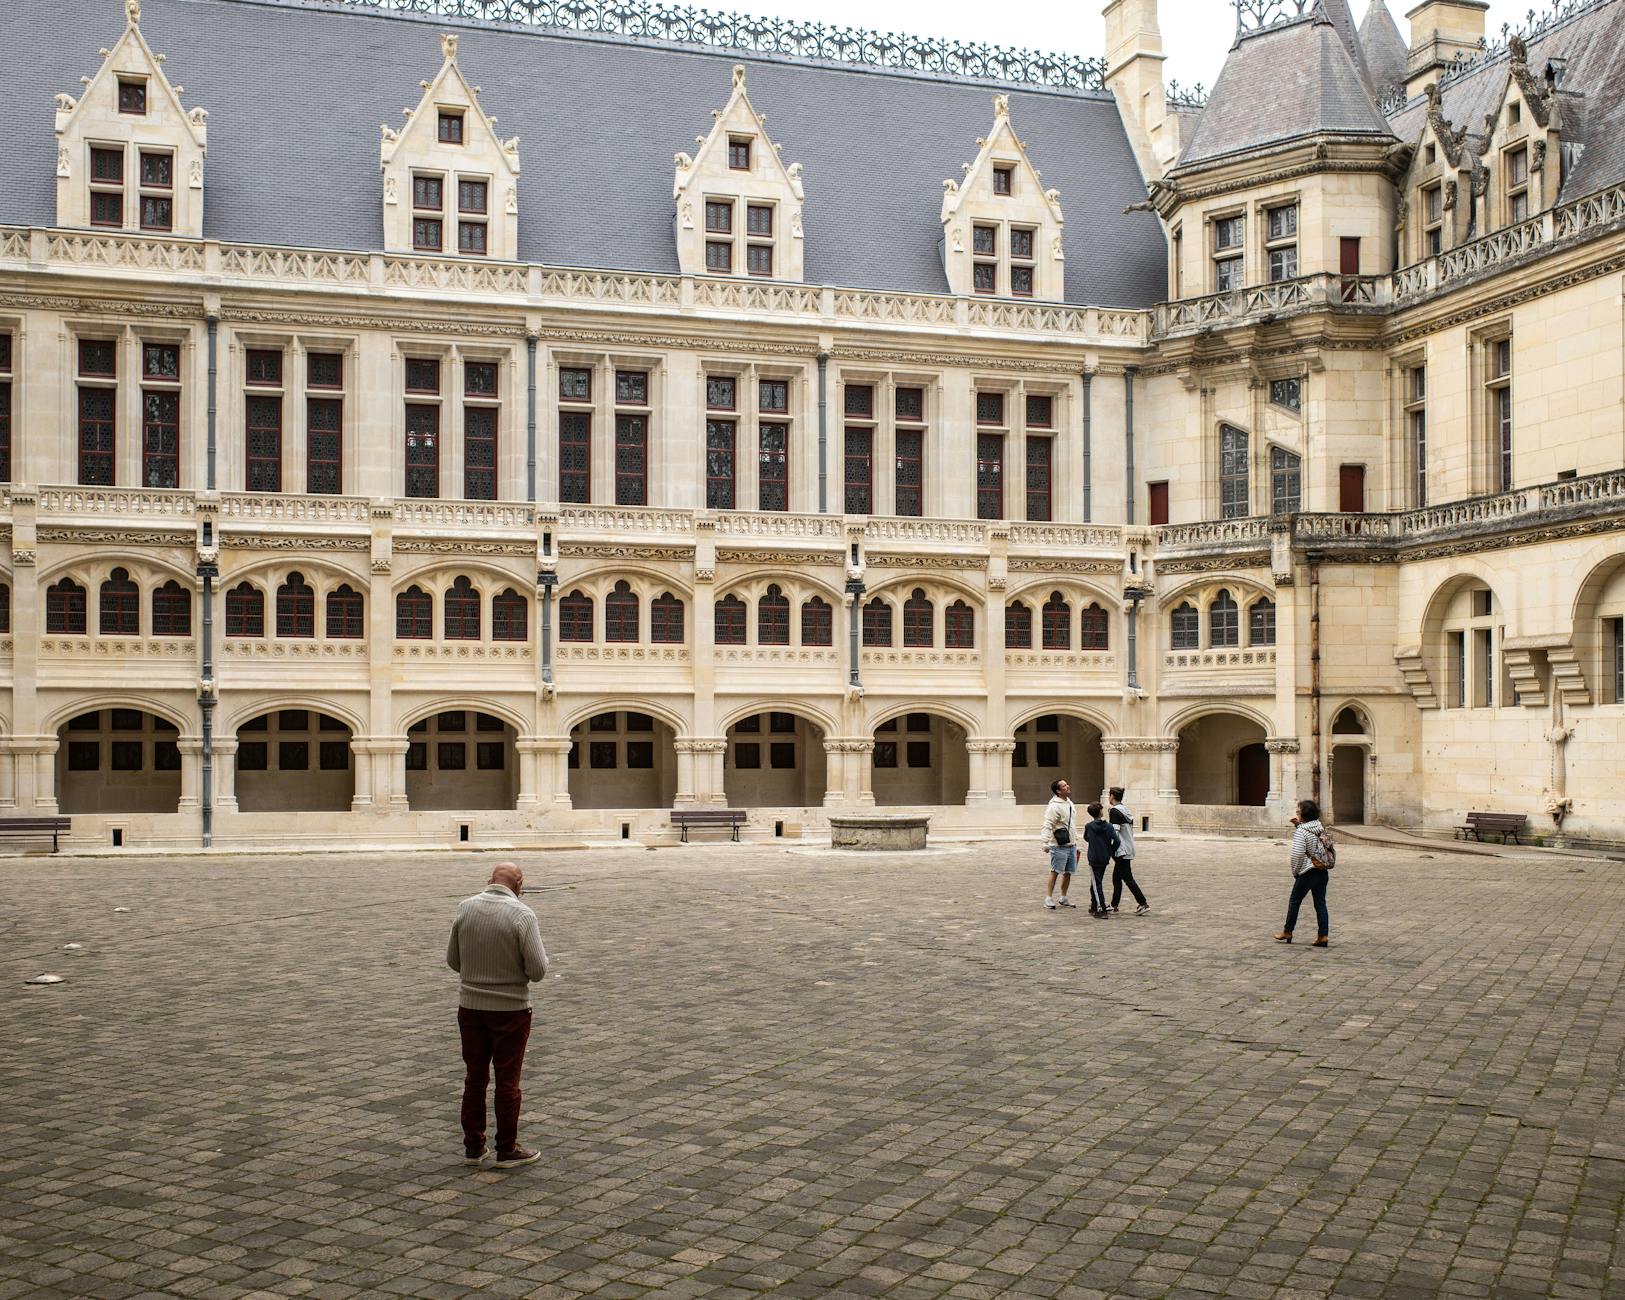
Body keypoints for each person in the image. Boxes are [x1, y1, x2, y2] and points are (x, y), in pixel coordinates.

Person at [447, 863, 549, 1168]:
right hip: (511, 1010)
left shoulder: (465, 908)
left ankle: (473, 1147)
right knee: (508, 1081)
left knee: (474, 1078)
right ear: (519, 884)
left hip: (471, 1007)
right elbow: (537, 971)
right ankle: (507, 1148)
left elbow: (453, 961)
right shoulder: (523, 915)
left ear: (490, 880)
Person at [1277, 799, 1332, 947]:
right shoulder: (1319, 827)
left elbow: (1297, 854)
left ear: (1304, 814)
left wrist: (1296, 872)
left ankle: (1288, 931)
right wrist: (1298, 825)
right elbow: (1311, 835)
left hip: (1307, 872)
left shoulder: (1301, 832)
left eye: (1298, 811)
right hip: (1322, 870)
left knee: (1295, 901)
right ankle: (1323, 935)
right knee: (1320, 903)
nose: (1297, 813)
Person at [1106, 786, 1148, 915]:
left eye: (1109, 795)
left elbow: (1115, 832)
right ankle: (1114, 905)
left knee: (1128, 878)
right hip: (1128, 847)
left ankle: (1143, 903)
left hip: (1121, 850)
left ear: (1112, 796)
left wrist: (1111, 847)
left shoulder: (1114, 811)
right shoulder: (1125, 810)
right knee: (1116, 878)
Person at [1040, 778, 1079, 910]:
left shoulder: (1069, 802)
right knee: (1055, 871)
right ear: (1058, 791)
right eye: (1064, 786)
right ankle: (1048, 898)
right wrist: (1045, 842)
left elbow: (1071, 824)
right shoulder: (1054, 806)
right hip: (1058, 845)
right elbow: (1048, 824)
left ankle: (1063, 896)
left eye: (1067, 784)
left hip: (1071, 844)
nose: (1068, 786)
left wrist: (1075, 840)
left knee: (1068, 872)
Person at [1081, 802, 1120, 919]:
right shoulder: (1108, 826)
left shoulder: (1089, 826)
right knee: (1096, 882)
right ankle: (1094, 905)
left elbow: (1086, 838)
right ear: (1101, 812)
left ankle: (1101, 909)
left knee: (1096, 884)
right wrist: (1110, 850)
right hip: (1104, 857)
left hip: (1094, 858)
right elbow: (1117, 841)